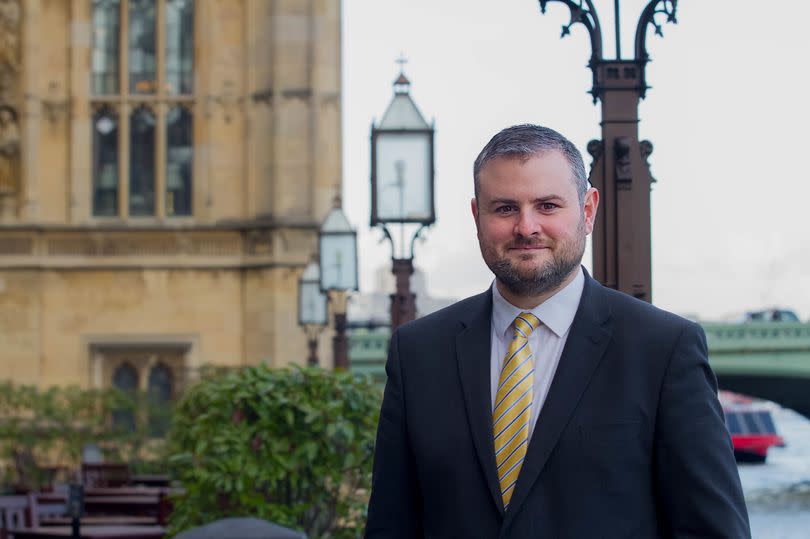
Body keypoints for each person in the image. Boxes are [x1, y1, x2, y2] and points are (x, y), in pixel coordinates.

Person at [365, 124, 750, 538]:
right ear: (477, 216)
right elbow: (391, 525)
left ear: (587, 211)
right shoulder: (419, 353)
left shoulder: (662, 350)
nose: (527, 227)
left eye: (548, 206)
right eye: (505, 208)